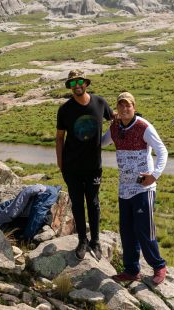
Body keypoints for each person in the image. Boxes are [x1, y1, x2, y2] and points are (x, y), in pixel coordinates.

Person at [102, 92, 168, 285]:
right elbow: (101, 142)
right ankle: (131, 270)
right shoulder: (115, 127)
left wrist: (154, 174)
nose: (124, 109)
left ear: (133, 106)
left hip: (142, 188)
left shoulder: (143, 126)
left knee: (144, 230)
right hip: (124, 189)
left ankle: (159, 266)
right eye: (121, 106)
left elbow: (162, 150)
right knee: (127, 231)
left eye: (128, 106)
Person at [56, 69, 113, 260]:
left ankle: (95, 241)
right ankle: (82, 241)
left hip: (93, 166)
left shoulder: (100, 103)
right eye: (72, 84)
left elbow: (115, 121)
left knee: (94, 203)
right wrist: (60, 163)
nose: (77, 86)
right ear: (70, 87)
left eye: (79, 82)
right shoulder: (64, 109)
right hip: (71, 166)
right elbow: (59, 138)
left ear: (86, 83)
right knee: (78, 205)